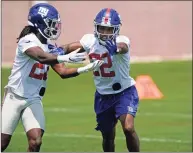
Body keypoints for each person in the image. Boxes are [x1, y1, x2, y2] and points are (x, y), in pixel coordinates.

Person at [1, 3, 103, 152]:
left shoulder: (48, 45)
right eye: (52, 24)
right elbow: (41, 57)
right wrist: (64, 58)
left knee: (36, 141)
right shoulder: (27, 40)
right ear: (40, 23)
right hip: (14, 97)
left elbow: (62, 72)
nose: (55, 27)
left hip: (33, 99)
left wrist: (84, 68)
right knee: (2, 143)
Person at [59, 8, 140, 152]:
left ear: (116, 29)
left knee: (128, 127)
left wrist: (115, 48)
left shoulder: (121, 41)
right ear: (96, 27)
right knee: (108, 136)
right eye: (102, 28)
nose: (104, 32)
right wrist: (57, 52)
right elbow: (68, 47)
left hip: (124, 91)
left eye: (109, 29)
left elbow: (124, 47)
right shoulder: (90, 41)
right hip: (103, 95)